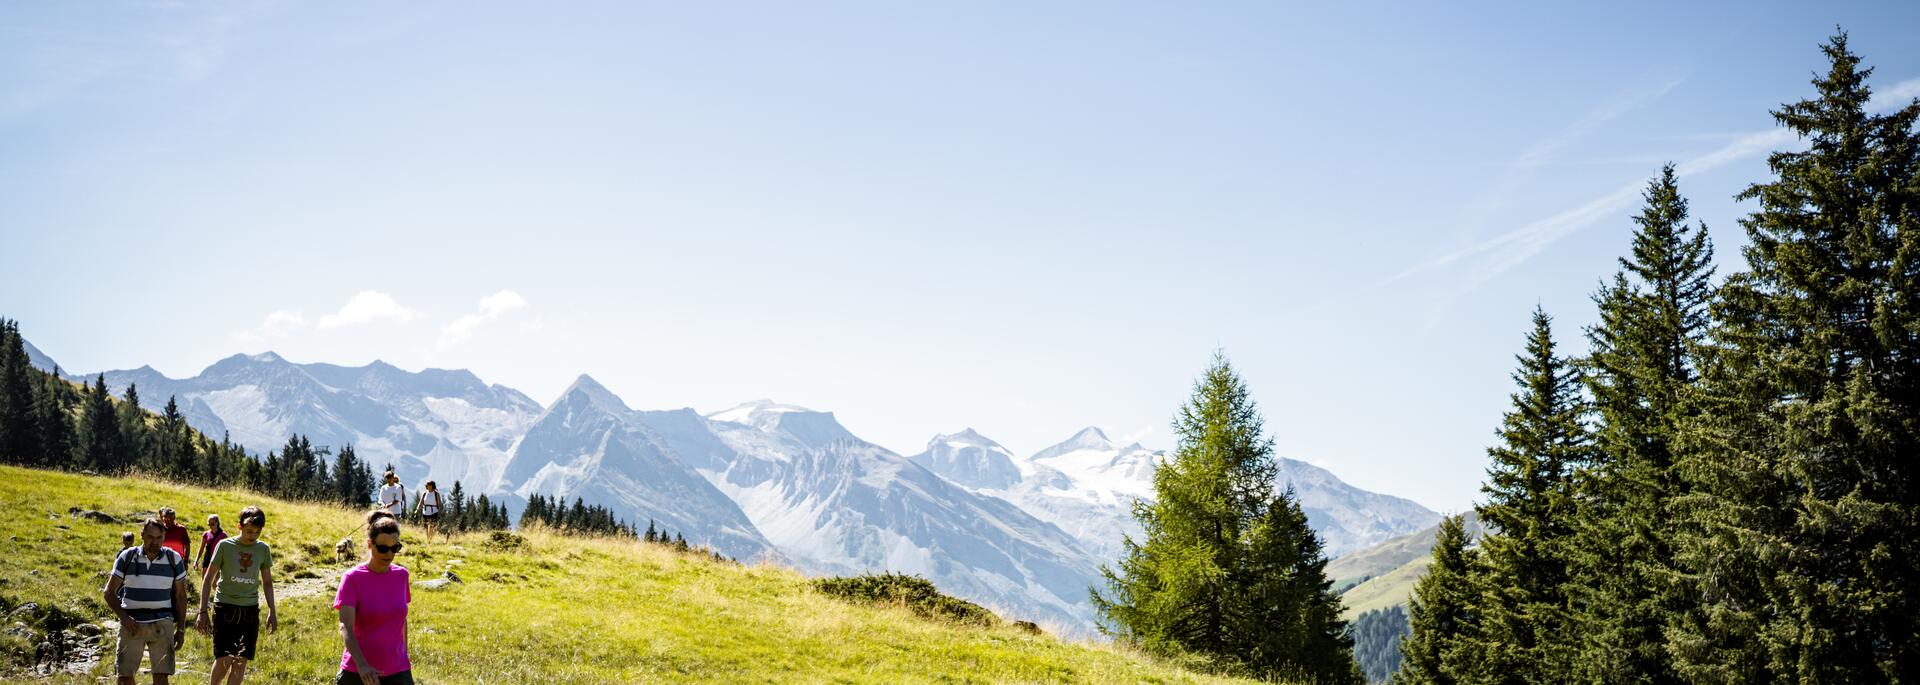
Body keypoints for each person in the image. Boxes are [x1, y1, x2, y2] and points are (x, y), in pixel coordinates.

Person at [104, 518, 190, 685]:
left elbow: (181, 596)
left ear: (164, 536)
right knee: (124, 678)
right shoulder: (127, 556)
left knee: (161, 677)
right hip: (132, 624)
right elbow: (109, 592)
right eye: (150, 537)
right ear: (142, 535)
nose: (155, 542)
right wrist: (123, 618)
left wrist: (181, 629)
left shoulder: (174, 558)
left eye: (159, 537)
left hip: (162, 624)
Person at [196, 506, 276, 685]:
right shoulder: (225, 546)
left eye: (257, 532)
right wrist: (202, 612)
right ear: (239, 527)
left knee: (241, 661)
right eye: (249, 531)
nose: (253, 535)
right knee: (224, 658)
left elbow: (268, 582)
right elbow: (208, 579)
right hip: (225, 607)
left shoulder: (263, 549)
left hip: (249, 610)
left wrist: (272, 610)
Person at [334, 511, 414, 685]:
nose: (389, 554)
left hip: (398, 670)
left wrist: (404, 657)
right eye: (383, 548)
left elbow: (401, 620)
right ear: (370, 544)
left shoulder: (402, 576)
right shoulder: (352, 578)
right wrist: (362, 666)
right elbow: (345, 626)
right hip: (358, 672)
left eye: (395, 548)